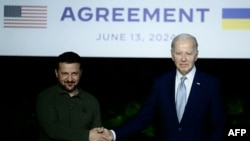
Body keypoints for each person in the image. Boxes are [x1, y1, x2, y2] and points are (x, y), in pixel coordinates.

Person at [98, 33, 226, 141]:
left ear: (196, 55)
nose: (183, 59)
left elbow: (219, 127)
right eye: (178, 53)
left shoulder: (211, 84)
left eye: (188, 53)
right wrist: (113, 134)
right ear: (172, 55)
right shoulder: (161, 83)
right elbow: (143, 118)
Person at [35, 51, 107, 141]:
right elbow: (52, 130)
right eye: (65, 73)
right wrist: (87, 135)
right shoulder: (45, 97)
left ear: (80, 73)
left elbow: (97, 135)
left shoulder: (91, 101)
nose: (69, 79)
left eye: (74, 73)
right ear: (56, 73)